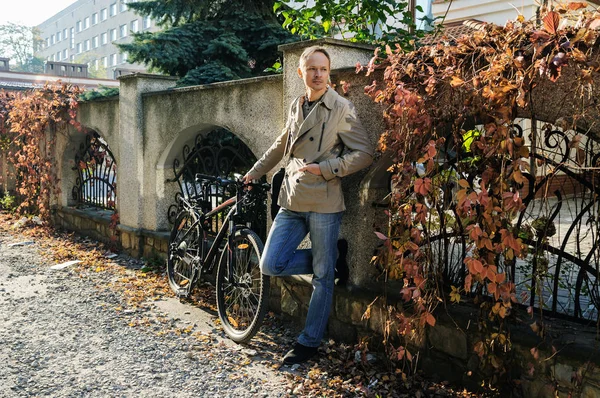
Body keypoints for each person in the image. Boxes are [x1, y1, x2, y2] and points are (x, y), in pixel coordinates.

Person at [243, 46, 373, 364]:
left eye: (323, 69)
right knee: (271, 263)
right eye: (312, 69)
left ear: (329, 73)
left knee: (321, 278)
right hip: (292, 196)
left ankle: (309, 342)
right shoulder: (296, 105)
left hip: (324, 201)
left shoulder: (340, 108)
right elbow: (281, 144)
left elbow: (365, 153)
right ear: (300, 73)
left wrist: (326, 169)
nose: (317, 74)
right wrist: (253, 172)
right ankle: (331, 260)